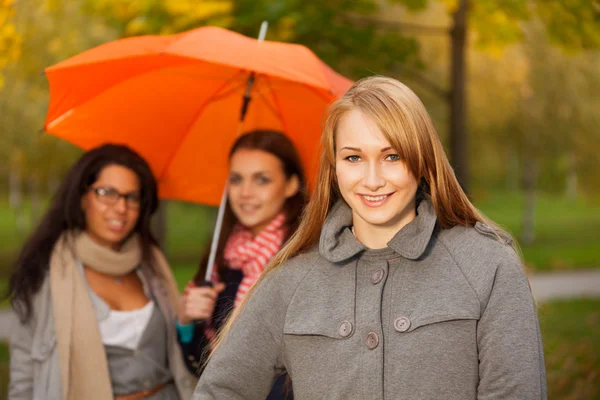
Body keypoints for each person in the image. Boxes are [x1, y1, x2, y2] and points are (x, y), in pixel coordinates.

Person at [191, 76, 547, 400]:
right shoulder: (291, 280)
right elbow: (222, 390)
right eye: (354, 157)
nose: (372, 179)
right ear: (334, 167)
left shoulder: (488, 265)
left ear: (421, 160)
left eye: (392, 156)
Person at [6, 144, 195, 400]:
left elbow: (179, 352)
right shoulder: (44, 273)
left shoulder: (152, 265)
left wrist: (190, 320)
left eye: (132, 197)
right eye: (107, 193)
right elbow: (24, 376)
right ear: (83, 197)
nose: (120, 208)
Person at [176, 130, 307, 399]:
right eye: (236, 179)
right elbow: (203, 365)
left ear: (292, 184)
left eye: (262, 180)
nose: (245, 193)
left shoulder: (304, 258)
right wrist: (188, 322)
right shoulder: (223, 256)